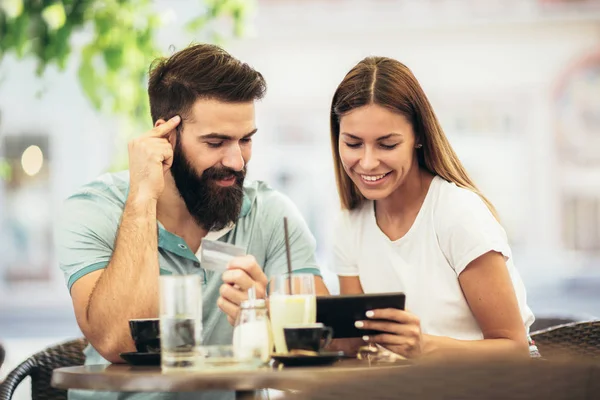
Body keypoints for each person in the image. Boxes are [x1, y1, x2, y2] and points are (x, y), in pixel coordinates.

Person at [55, 43, 328, 400]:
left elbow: (325, 346)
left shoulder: (273, 215)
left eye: (245, 140)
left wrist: (269, 313)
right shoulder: (94, 209)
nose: (236, 161)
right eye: (216, 142)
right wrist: (141, 199)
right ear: (166, 137)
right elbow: (117, 341)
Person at [329, 56, 535, 360]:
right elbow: (355, 344)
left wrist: (422, 346)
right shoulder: (349, 224)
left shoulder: (458, 213)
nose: (368, 162)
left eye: (387, 145)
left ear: (419, 138)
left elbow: (515, 349)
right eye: (353, 143)